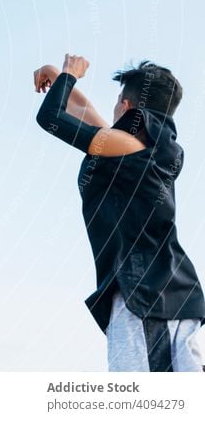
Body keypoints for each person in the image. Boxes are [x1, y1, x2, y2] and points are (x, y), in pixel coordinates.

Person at [34, 54, 205, 372]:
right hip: (164, 292)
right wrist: (56, 75)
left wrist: (69, 75)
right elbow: (89, 116)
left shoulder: (128, 146)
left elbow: (51, 117)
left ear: (126, 107)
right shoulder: (144, 147)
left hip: (144, 294)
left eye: (117, 104)